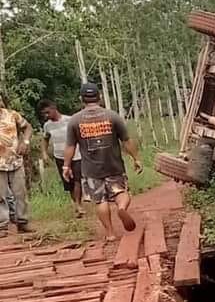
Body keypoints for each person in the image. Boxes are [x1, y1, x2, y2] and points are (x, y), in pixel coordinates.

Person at [64, 82, 142, 239]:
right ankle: (121, 208)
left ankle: (110, 233)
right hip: (113, 165)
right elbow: (126, 140)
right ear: (99, 97)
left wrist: (66, 166)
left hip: (91, 169)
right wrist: (136, 159)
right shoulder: (112, 116)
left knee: (100, 201)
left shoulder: (74, 120)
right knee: (121, 192)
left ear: (82, 99)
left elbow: (70, 146)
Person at [38, 100, 83, 217]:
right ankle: (76, 204)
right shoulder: (47, 125)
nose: (46, 115)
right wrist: (44, 153)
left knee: (77, 179)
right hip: (59, 156)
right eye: (44, 114)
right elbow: (45, 139)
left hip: (76, 155)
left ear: (54, 108)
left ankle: (78, 204)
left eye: (47, 112)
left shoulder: (69, 120)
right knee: (68, 182)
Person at [0, 93, 33, 234]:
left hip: (16, 160)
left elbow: (28, 128)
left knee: (20, 193)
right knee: (0, 196)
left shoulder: (12, 115)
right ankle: (2, 225)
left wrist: (25, 142)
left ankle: (22, 222)